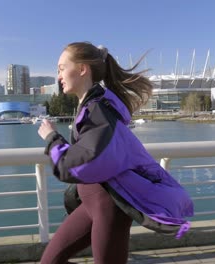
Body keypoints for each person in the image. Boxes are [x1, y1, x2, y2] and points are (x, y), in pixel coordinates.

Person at [38, 41, 194, 264]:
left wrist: (51, 137)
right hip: (91, 205)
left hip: (109, 208)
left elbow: (72, 165)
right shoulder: (91, 106)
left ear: (82, 69)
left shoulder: (98, 112)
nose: (59, 75)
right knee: (49, 260)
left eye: (62, 68)